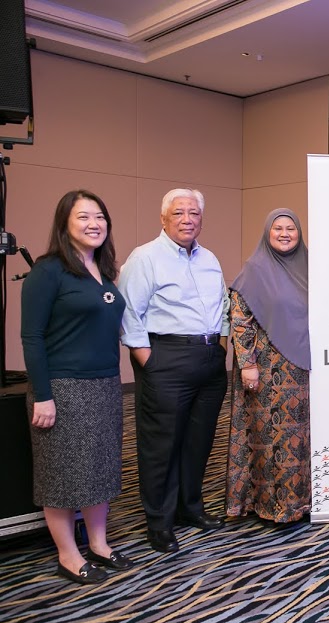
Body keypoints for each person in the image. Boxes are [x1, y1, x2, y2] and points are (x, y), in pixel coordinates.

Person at [21, 190, 133, 584]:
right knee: (62, 476)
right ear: (64, 223)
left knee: (99, 471)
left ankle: (99, 545)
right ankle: (67, 555)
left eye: (100, 216)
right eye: (84, 216)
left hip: (105, 385)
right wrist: (44, 395)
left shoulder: (103, 269)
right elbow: (31, 337)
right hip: (63, 389)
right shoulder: (48, 270)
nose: (94, 224)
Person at [118, 188, 229, 553]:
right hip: (166, 359)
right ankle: (159, 522)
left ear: (202, 218)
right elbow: (129, 314)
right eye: (179, 213)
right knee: (161, 445)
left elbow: (224, 306)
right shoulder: (145, 258)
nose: (187, 219)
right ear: (163, 218)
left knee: (198, 443)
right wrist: (149, 360)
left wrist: (222, 345)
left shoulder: (209, 258)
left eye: (194, 213)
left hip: (210, 362)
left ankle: (189, 508)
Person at [225, 208, 311, 525]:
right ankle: (274, 505)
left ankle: (304, 501)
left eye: (291, 228)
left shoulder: (311, 267)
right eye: (278, 228)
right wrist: (247, 364)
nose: (285, 233)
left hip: (306, 371)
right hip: (268, 372)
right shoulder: (254, 271)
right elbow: (240, 322)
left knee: (304, 438)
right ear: (267, 232)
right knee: (270, 437)